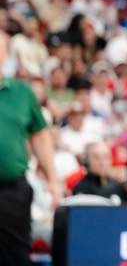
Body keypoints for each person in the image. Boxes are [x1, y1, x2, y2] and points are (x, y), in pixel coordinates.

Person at [0, 31, 60, 266]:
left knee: (15, 256)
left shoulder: (22, 93)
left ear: (5, 55)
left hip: (11, 191)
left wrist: (52, 179)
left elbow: (40, 135)